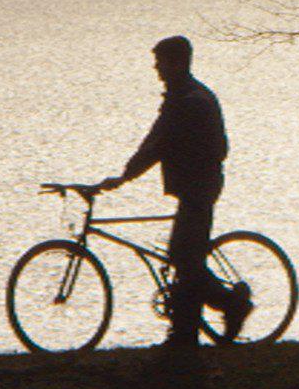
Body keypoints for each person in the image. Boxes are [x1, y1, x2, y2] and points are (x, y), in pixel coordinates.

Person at [97, 36, 252, 347]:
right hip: (194, 185)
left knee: (186, 260)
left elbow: (159, 145)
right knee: (184, 258)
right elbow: (155, 139)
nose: (156, 68)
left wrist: (125, 177)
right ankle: (186, 332)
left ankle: (224, 308)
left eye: (161, 61)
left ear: (177, 62)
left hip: (199, 186)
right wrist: (126, 174)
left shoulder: (190, 101)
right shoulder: (184, 97)